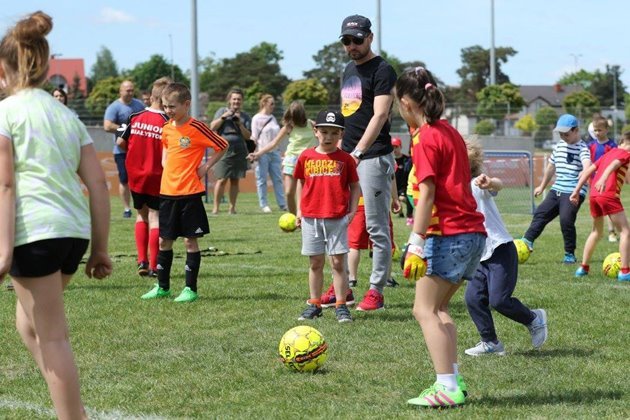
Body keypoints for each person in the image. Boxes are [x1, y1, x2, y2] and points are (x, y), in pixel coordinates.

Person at [0, 11, 112, 419]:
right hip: (71, 235)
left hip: (35, 234)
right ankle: (67, 402)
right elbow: (99, 186)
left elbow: (6, 187)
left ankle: (72, 415)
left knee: (52, 338)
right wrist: (99, 248)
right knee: (27, 326)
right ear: (47, 69)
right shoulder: (67, 117)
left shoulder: (5, 114)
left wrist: (2, 252)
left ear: (2, 70)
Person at [397, 67, 486, 408]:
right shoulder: (448, 131)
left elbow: (427, 193)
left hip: (447, 234)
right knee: (441, 307)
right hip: (473, 234)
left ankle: (446, 386)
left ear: (406, 102)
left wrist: (416, 243)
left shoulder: (425, 138)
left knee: (423, 310)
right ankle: (454, 380)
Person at [141, 82, 227, 302]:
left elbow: (222, 145)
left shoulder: (197, 127)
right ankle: (162, 286)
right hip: (168, 193)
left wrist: (206, 167)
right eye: (165, 106)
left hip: (189, 194)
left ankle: (190, 289)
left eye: (172, 106)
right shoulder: (167, 128)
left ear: (186, 104)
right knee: (164, 242)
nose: (168, 110)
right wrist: (165, 167)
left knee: (190, 242)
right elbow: (167, 150)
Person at [463, 140, 548, 357]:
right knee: (472, 298)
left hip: (499, 249)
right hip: (478, 256)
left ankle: (534, 319)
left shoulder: (476, 184)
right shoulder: (451, 189)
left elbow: (497, 185)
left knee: (499, 300)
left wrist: (490, 181)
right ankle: (490, 342)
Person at [339, 14, 397, 311]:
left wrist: (358, 152)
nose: (352, 46)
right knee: (341, 222)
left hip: (372, 156)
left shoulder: (383, 69)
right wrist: (338, 148)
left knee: (376, 227)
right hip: (348, 154)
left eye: (357, 40)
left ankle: (376, 289)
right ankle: (343, 287)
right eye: (347, 41)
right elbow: (349, 113)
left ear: (370, 38)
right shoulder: (348, 69)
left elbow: (380, 114)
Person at [293, 109, 360, 323]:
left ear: (341, 134)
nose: (328, 137)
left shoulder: (346, 159)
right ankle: (314, 304)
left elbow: (355, 186)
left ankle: (341, 305)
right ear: (315, 131)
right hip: (311, 218)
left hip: (336, 218)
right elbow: (300, 183)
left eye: (334, 133)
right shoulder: (306, 156)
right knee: (315, 262)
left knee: (338, 263)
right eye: (324, 132)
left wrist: (351, 211)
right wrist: (298, 211)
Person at [117, 77, 171, 277]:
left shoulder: (134, 116)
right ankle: (156, 266)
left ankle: (142, 261)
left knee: (141, 215)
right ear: (165, 97)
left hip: (136, 174)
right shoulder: (168, 122)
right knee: (155, 217)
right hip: (157, 174)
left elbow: (120, 142)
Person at [520, 114, 591, 263]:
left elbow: (587, 166)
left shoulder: (582, 148)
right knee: (540, 213)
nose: (563, 137)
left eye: (566, 134)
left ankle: (569, 254)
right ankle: (527, 241)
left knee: (566, 220)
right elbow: (551, 167)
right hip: (557, 188)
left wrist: (578, 189)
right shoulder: (559, 146)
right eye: (560, 134)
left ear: (576, 130)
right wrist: (542, 186)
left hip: (573, 191)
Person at [571, 131, 630, 281]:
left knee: (596, 232)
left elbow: (588, 171)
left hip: (594, 195)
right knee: (625, 232)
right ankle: (624, 272)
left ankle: (583, 268)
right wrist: (604, 178)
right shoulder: (625, 153)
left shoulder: (609, 152)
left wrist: (576, 191)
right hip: (607, 194)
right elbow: (615, 164)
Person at [248, 100, 315, 215]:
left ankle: (300, 218)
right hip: (292, 160)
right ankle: (293, 216)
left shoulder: (312, 125)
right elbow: (273, 143)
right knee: (289, 192)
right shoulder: (288, 127)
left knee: (303, 192)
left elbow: (324, 138)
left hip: (308, 161)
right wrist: (258, 153)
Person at [104, 80, 145, 218]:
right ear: (120, 91)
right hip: (121, 151)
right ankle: (127, 209)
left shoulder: (139, 105)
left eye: (132, 90)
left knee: (141, 179)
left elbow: (147, 120)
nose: (130, 92)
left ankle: (141, 205)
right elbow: (107, 126)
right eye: (127, 90)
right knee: (124, 180)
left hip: (138, 151)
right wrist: (125, 128)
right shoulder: (114, 107)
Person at [210, 88, 252, 214]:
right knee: (221, 179)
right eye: (234, 99)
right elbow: (212, 127)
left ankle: (232, 208)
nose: (236, 101)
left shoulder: (245, 116)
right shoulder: (221, 111)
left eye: (239, 99)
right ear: (229, 100)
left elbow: (248, 136)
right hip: (224, 149)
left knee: (235, 179)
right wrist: (224, 117)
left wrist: (240, 124)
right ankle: (216, 208)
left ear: (242, 101)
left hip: (239, 149)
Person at [251, 94, 287, 213]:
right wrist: (255, 153)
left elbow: (277, 136)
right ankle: (264, 204)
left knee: (278, 179)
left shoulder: (272, 117)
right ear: (264, 103)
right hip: (262, 153)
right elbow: (254, 137)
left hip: (275, 153)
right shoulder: (256, 118)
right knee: (261, 179)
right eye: (271, 103)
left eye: (274, 104)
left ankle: (282, 204)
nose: (273, 106)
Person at [585, 116, 619, 243]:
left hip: (608, 183)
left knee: (609, 208)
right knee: (596, 210)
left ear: (606, 130)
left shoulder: (612, 146)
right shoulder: (590, 146)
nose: (597, 133)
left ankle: (612, 232)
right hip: (593, 183)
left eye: (599, 130)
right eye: (595, 130)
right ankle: (596, 232)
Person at [392, 136, 413, 224]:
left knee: (403, 198)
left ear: (400, 147)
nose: (394, 149)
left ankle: (410, 215)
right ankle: (401, 213)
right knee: (397, 200)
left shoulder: (407, 160)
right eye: (392, 147)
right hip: (395, 187)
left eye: (396, 147)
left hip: (405, 186)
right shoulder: (391, 161)